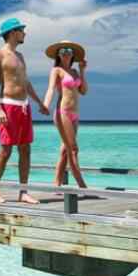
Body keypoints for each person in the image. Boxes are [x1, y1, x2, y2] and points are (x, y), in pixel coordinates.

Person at [0, 18, 49, 204]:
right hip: (8, 105)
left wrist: (39, 103)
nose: (25, 33)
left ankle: (23, 191)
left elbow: (26, 83)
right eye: (22, 30)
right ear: (13, 32)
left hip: (24, 107)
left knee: (25, 149)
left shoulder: (20, 57)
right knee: (6, 150)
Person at [42, 40, 88, 188]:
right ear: (59, 55)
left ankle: (56, 184)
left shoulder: (74, 72)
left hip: (76, 114)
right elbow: (50, 89)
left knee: (65, 150)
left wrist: (82, 71)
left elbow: (84, 91)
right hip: (64, 113)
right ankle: (82, 186)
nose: (66, 53)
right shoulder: (56, 70)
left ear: (73, 54)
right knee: (73, 149)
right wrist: (45, 105)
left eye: (69, 50)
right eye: (63, 51)